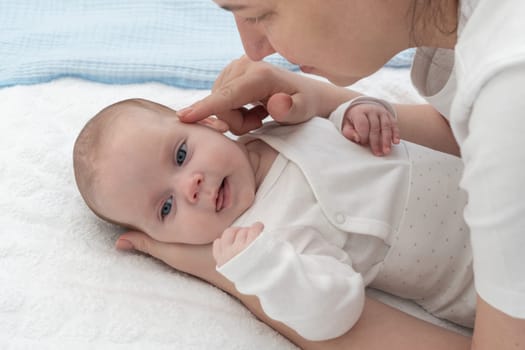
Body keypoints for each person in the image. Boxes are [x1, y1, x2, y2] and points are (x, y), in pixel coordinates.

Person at [142, 1, 522, 349]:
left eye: (258, 13)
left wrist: (224, 272)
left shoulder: (509, 96)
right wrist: (327, 102)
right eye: (165, 207)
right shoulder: (480, 33)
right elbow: (472, 134)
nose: (254, 51)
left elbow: (500, 137)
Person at [73, 98, 475, 343]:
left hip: (497, 183)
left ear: (206, 121)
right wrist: (269, 272)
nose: (190, 187)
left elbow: (345, 121)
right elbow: (335, 312)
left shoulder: (280, 124)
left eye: (180, 156)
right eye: (165, 207)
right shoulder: (264, 241)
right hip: (479, 277)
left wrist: (363, 111)